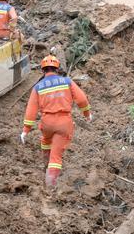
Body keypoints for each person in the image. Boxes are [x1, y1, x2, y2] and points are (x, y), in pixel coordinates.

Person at [21, 55, 92, 187]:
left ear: (43, 70)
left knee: (46, 141)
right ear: (57, 69)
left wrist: (25, 130)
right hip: (63, 123)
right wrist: (87, 114)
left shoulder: (38, 87)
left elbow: (31, 110)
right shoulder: (67, 81)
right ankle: (50, 186)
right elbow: (82, 99)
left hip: (46, 123)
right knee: (56, 156)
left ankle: (46, 165)